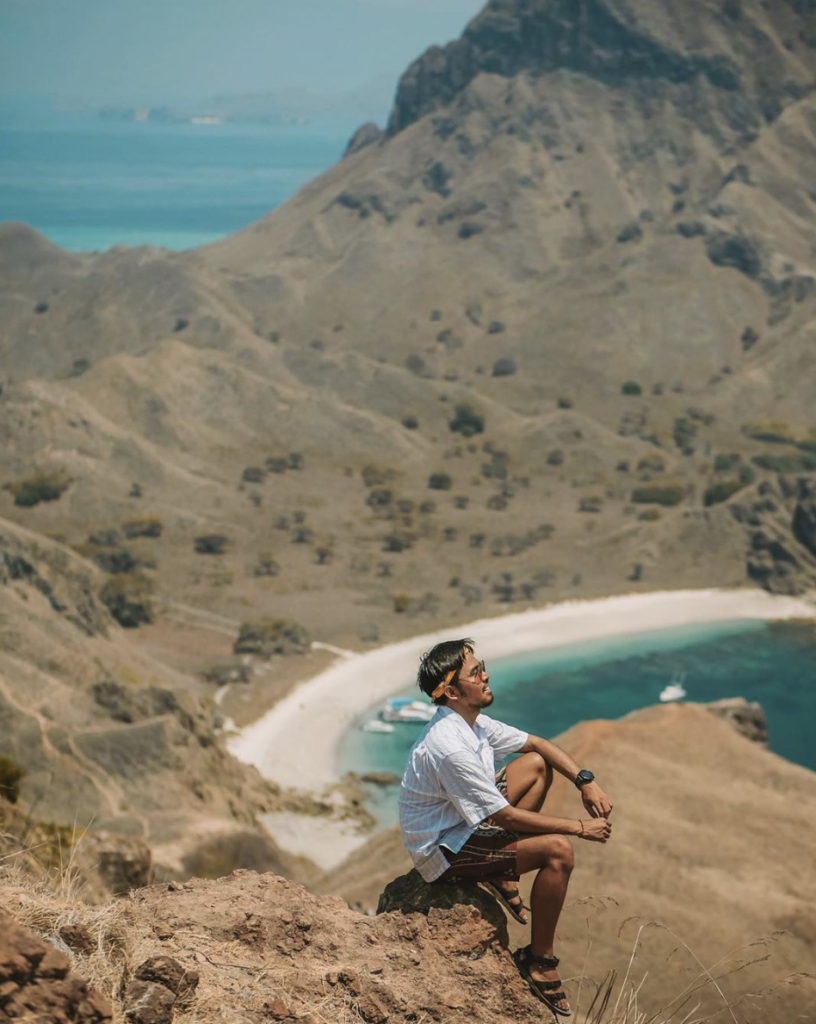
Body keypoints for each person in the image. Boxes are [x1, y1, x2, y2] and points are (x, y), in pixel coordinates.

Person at [398, 638, 613, 1017]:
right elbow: (504, 818)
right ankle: (539, 960)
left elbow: (539, 744)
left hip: (464, 824)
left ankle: (501, 872)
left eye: (483, 666)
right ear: (451, 691)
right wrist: (581, 827)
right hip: (444, 849)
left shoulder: (472, 723)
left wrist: (585, 781)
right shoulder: (449, 746)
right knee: (559, 851)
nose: (486, 675)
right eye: (476, 672)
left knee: (534, 765)